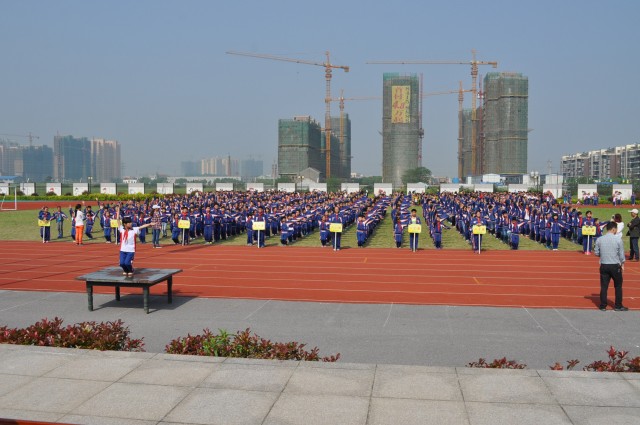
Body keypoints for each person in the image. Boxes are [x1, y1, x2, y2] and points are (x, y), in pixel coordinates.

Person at [594, 221, 627, 311]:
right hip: (615, 266)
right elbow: (621, 254)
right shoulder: (618, 240)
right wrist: (622, 263)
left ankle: (603, 305)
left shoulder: (600, 239)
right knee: (618, 286)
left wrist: (604, 254)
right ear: (613, 229)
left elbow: (596, 253)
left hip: (604, 265)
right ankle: (618, 305)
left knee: (604, 286)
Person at [116, 213, 153, 277]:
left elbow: (142, 226)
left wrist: (149, 224)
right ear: (125, 224)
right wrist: (118, 211)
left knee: (127, 263)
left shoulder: (134, 229)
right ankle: (125, 270)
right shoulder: (121, 229)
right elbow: (117, 220)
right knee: (121, 263)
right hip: (122, 250)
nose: (131, 224)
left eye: (131, 222)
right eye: (129, 223)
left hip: (130, 250)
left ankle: (130, 270)